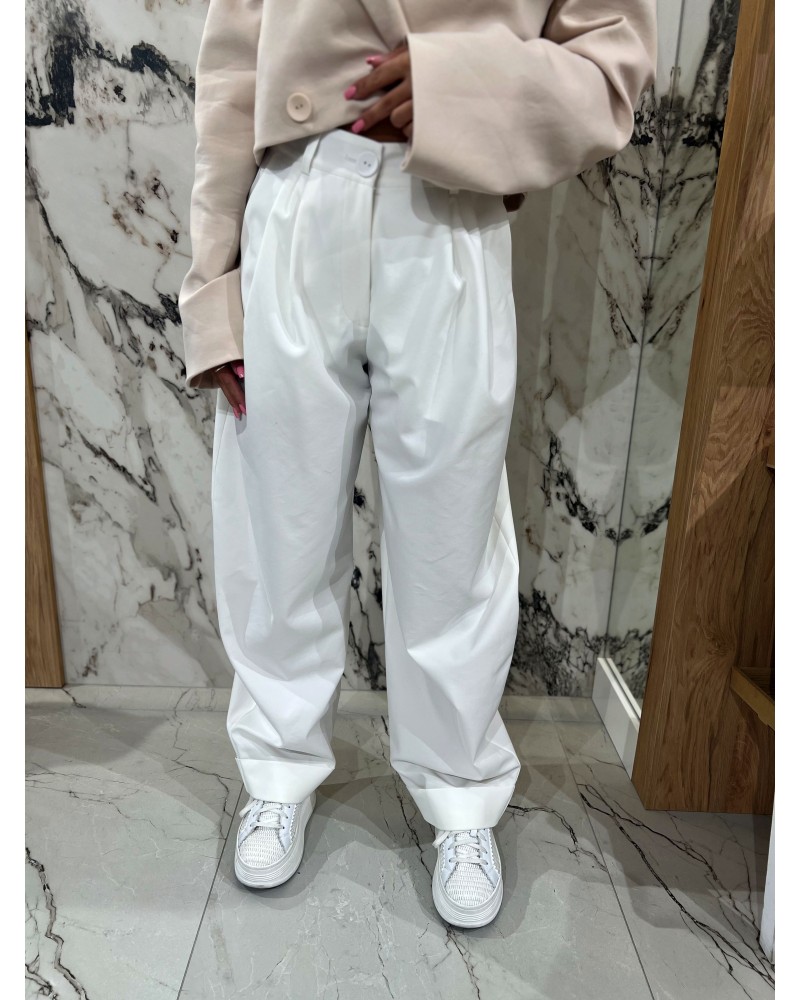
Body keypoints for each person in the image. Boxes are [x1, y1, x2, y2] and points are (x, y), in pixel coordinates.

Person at [179, 0, 656, 929]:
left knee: (452, 534)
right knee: (277, 521)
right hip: (294, 196)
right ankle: (277, 766)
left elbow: (612, 65)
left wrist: (462, 86)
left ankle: (460, 793)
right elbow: (234, 61)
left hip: (450, 204)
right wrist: (212, 285)